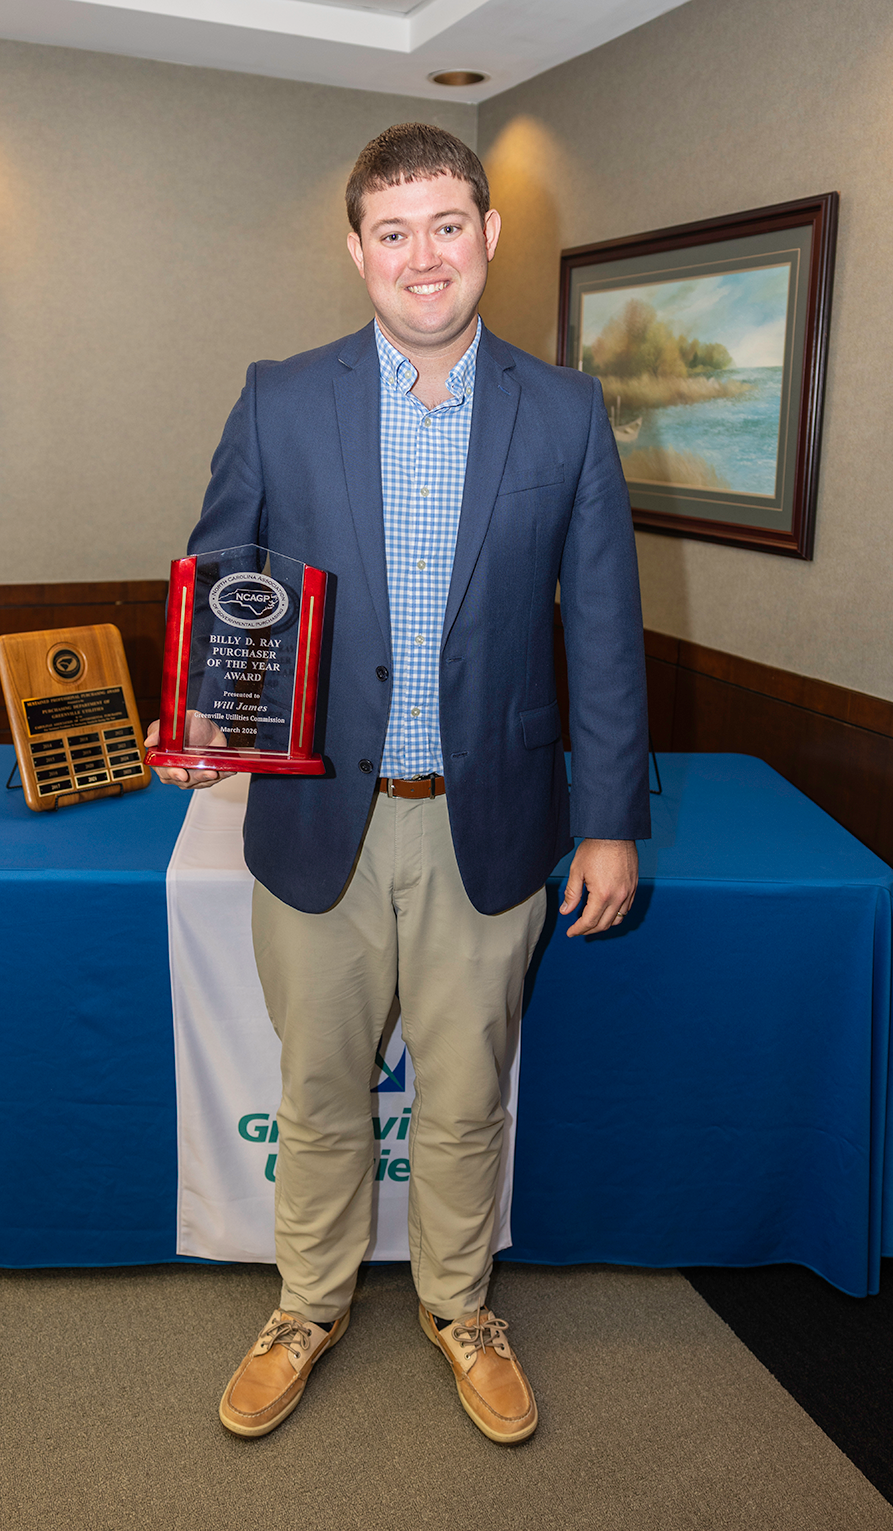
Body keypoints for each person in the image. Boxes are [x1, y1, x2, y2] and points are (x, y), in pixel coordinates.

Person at [147, 122, 650, 1444]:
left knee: (468, 1095)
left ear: (488, 235)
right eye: (392, 230)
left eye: (446, 225)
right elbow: (226, 583)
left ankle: (458, 1304)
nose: (421, 256)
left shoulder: (567, 411)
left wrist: (608, 819)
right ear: (355, 249)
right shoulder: (278, 397)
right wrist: (210, 704)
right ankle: (305, 1301)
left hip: (489, 828)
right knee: (317, 1088)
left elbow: (601, 629)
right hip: (319, 822)